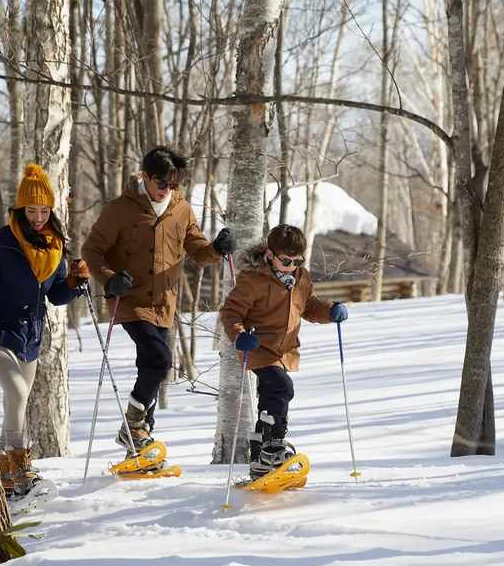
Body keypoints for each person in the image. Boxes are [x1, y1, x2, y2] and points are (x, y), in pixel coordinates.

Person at [82, 145, 236, 457]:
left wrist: (218, 249)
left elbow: (199, 251)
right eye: (161, 183)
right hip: (129, 299)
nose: (167, 190)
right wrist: (109, 277)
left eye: (174, 184)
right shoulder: (120, 210)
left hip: (164, 303)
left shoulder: (182, 210)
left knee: (151, 367)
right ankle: (133, 427)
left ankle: (141, 443)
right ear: (145, 177)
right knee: (159, 360)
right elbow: (91, 251)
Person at [0, 163, 89, 497]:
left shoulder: (54, 247)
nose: (38, 217)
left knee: (17, 402)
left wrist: (75, 283)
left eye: (44, 210)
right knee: (17, 392)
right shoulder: (1, 245)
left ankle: (7, 476)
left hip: (30, 338)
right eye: (31, 210)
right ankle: (18, 466)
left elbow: (55, 296)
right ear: (20, 209)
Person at [219, 224, 349, 480]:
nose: (292, 266)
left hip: (285, 350)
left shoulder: (301, 278)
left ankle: (260, 455)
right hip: (256, 347)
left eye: (297, 260)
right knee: (281, 388)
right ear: (270, 254)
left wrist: (330, 310)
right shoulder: (252, 280)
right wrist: (239, 335)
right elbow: (231, 312)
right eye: (286, 260)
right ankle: (273, 445)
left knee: (273, 397)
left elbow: (309, 306)